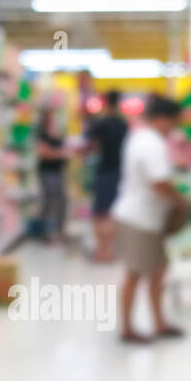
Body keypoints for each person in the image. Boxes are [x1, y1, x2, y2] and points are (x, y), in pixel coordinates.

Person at [111, 95, 185, 343]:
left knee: (158, 270)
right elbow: (159, 182)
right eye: (174, 122)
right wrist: (180, 200)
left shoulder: (141, 137)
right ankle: (127, 329)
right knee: (135, 273)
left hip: (146, 218)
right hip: (140, 219)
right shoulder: (152, 143)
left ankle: (160, 323)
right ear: (163, 119)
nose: (174, 128)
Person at [84, 90, 128, 263]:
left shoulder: (101, 124)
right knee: (112, 212)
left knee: (99, 212)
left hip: (104, 170)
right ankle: (109, 250)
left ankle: (101, 251)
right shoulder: (123, 124)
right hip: (120, 171)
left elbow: (89, 143)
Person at [35, 99, 70, 244]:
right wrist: (61, 153)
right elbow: (43, 152)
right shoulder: (42, 134)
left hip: (58, 172)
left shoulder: (57, 133)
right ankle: (48, 233)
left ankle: (59, 231)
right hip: (48, 173)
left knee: (61, 201)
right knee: (49, 202)